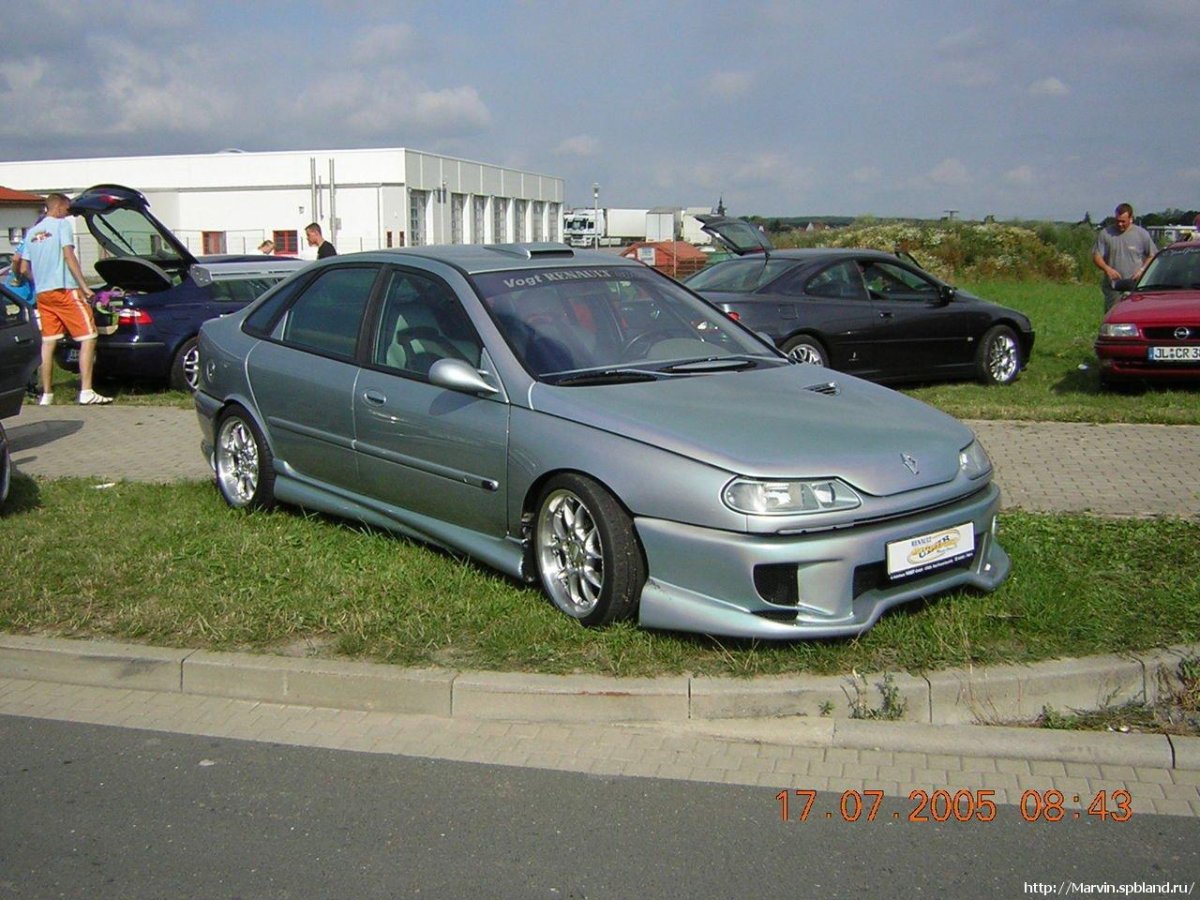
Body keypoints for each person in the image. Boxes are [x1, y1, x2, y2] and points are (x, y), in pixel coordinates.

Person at [24, 193, 111, 405]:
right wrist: (84, 287)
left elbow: (25, 267)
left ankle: (46, 394)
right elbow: (69, 256)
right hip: (65, 290)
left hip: (43, 294)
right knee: (88, 337)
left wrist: (41, 281)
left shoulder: (32, 232)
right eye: (67, 209)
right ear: (59, 207)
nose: (68, 213)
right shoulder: (62, 226)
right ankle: (87, 391)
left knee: (48, 342)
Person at [1092, 203, 1156, 313]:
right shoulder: (1105, 234)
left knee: (1134, 315)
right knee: (1113, 316)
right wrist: (1107, 269)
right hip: (1114, 286)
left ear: (1131, 219)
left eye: (1123, 221)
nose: (1120, 224)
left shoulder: (1141, 234)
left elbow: (1152, 255)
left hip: (1135, 286)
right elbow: (1096, 256)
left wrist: (1142, 270)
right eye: (1117, 221)